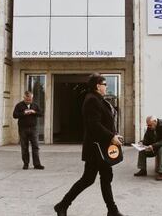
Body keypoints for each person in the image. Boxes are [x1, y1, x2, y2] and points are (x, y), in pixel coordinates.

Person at [54, 73, 125, 216]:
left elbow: (106, 122)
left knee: (104, 179)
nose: (107, 87)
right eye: (105, 84)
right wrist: (111, 136)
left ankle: (112, 210)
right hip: (95, 149)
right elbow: (94, 125)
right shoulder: (92, 100)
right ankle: (62, 205)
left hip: (102, 148)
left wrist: (114, 135)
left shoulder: (99, 100)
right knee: (88, 180)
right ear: (98, 86)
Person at [13, 91, 44, 170]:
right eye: (27, 100)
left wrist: (34, 112)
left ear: (32, 98)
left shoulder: (35, 105)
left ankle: (37, 164)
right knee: (24, 147)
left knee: (35, 146)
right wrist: (24, 113)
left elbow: (41, 114)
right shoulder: (19, 105)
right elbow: (15, 115)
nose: (28, 101)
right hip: (23, 129)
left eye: (30, 100)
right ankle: (26, 164)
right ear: (24, 98)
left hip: (33, 128)